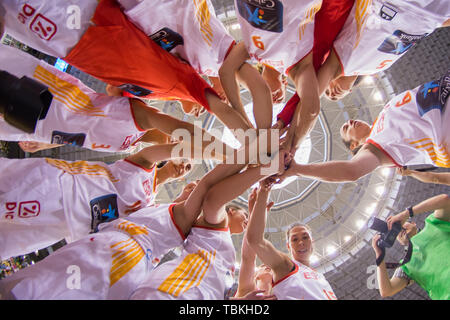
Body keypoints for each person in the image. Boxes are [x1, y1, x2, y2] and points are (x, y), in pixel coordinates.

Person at [0, 146, 256, 299]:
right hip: (101, 246)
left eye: (194, 190)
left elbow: (209, 184)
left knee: (33, 291)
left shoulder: (181, 222)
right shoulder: (149, 204)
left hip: (119, 257)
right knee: (22, 285)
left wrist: (247, 153)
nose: (189, 179)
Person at [0, 0, 252, 132]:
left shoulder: (159, 93)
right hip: (91, 22)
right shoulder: (185, 79)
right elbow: (224, 112)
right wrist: (256, 141)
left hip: (71, 50)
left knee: (12, 16)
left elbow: (113, 91)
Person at [0, 137, 230, 260]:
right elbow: (175, 147)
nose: (184, 167)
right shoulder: (143, 165)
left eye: (188, 168)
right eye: (184, 161)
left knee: (6, 242)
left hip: (65, 226)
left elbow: (170, 221)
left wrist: (185, 197)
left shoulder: (150, 205)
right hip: (63, 190)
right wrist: (224, 154)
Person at [0, 44, 229, 157]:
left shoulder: (127, 145)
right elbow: (114, 86)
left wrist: (47, 142)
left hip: (39, 125)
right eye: (178, 138)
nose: (173, 138)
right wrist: (230, 155)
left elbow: (82, 133)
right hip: (49, 93)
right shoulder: (141, 115)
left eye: (176, 143)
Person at [129, 150, 286, 300]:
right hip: (171, 292)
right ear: (230, 211)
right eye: (244, 215)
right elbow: (213, 200)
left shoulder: (224, 248)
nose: (246, 220)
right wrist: (263, 170)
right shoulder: (215, 225)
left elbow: (249, 254)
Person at [233, 0, 355, 158]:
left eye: (270, 100)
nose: (274, 98)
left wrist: (251, 132)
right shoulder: (301, 65)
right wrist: (287, 136)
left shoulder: (253, 50)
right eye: (278, 99)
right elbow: (308, 103)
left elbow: (225, 71)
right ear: (285, 82)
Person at [277, 72, 450, 183]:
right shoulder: (374, 150)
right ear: (354, 145)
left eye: (348, 122)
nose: (350, 121)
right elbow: (351, 171)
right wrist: (297, 170)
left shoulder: (384, 115)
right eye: (346, 129)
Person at [319, 0, 450, 101]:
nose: (331, 94)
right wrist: (438, 21)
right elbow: (410, 36)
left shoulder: (334, 47)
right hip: (434, 12)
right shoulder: (375, 67)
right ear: (349, 91)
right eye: (334, 98)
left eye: (326, 91)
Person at [244, 178, 337, 300]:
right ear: (288, 246)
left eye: (305, 237)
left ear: (312, 241)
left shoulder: (320, 277)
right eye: (294, 239)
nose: (301, 242)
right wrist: (264, 191)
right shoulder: (285, 266)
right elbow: (255, 240)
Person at [371, 193, 450, 300]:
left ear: (413, 223)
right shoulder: (406, 264)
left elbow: (445, 200)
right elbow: (386, 291)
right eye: (396, 231)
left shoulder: (433, 223)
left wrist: (405, 214)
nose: (400, 230)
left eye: (400, 225)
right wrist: (379, 256)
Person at [232, 187, 276, 300]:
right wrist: (254, 214)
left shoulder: (281, 295)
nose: (267, 266)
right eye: (262, 266)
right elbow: (248, 257)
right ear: (255, 275)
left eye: (269, 267)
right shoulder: (248, 289)